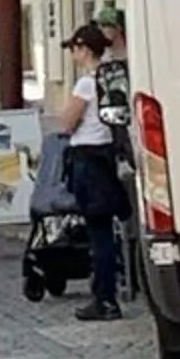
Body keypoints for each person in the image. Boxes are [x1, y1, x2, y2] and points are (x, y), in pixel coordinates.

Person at [55, 19, 130, 322]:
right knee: (104, 230)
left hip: (87, 158)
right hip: (106, 156)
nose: (73, 54)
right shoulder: (112, 78)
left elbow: (67, 123)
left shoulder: (86, 83)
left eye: (74, 48)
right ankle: (106, 293)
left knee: (98, 232)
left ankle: (104, 298)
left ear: (83, 49)